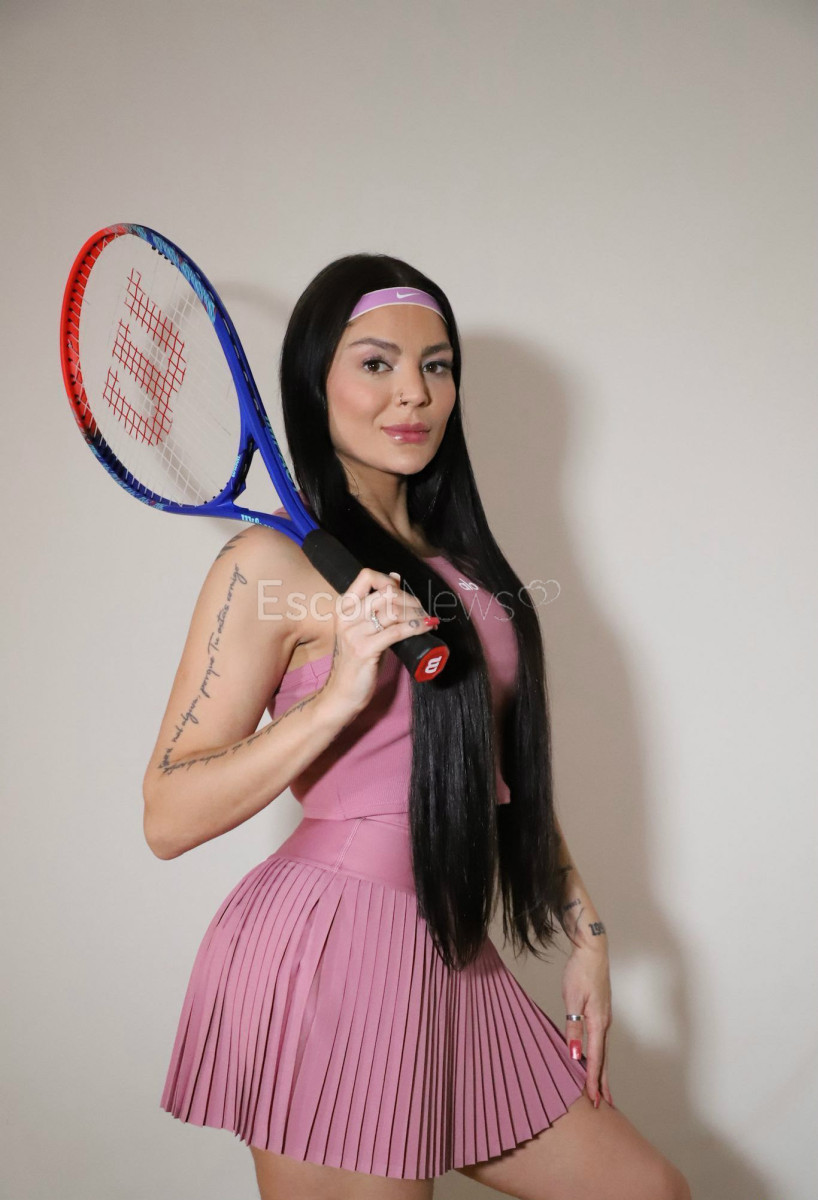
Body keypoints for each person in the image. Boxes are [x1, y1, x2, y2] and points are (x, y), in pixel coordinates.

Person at [144, 258, 691, 1200]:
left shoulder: (468, 569)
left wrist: (586, 930)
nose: (414, 393)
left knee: (649, 1193)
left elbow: (494, 778)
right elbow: (166, 816)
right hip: (330, 956)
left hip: (449, 950)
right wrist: (335, 698)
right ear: (315, 384)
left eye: (437, 365)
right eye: (376, 363)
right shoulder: (265, 564)